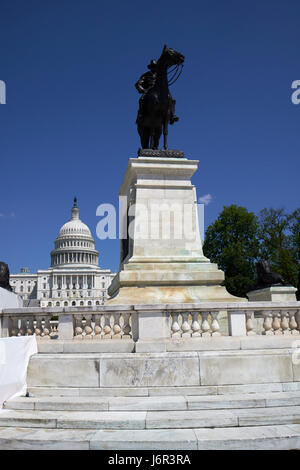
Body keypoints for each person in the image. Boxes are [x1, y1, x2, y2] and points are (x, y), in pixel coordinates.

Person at [135, 59, 179, 125]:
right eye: (153, 67)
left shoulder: (160, 75)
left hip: (160, 91)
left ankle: (172, 115)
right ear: (150, 68)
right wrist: (143, 90)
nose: (154, 68)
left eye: (155, 66)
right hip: (149, 91)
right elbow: (138, 84)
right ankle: (141, 115)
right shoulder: (146, 75)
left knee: (172, 99)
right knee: (141, 99)